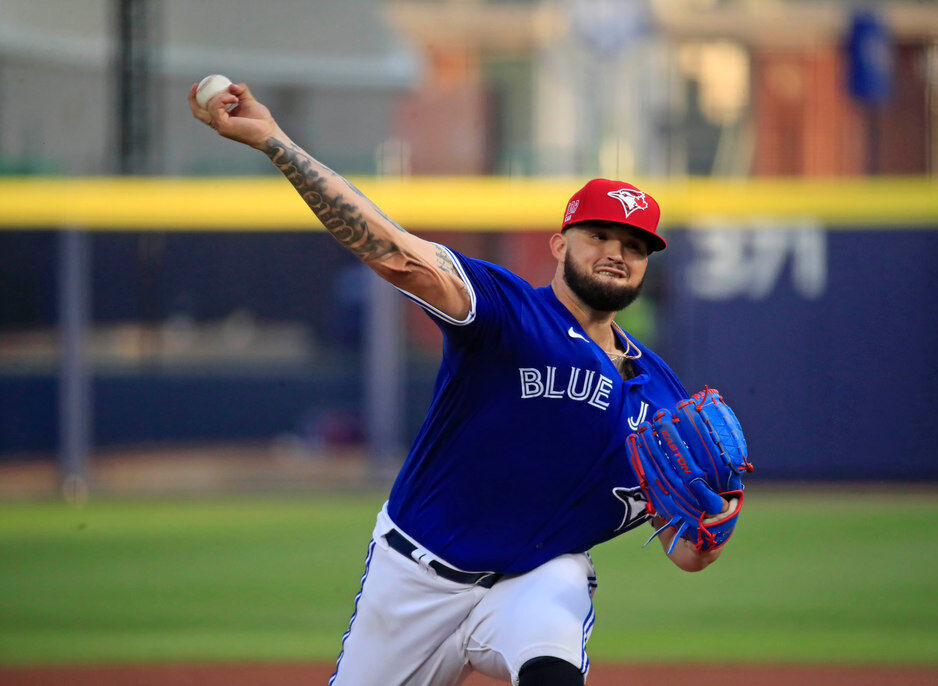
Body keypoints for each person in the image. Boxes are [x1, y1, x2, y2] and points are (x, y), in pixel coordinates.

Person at [189, 81, 726, 686]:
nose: (615, 252)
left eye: (634, 245)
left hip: (538, 577)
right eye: (598, 235)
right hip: (415, 578)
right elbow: (397, 255)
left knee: (554, 648)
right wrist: (276, 142)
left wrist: (713, 523)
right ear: (558, 244)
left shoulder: (661, 395)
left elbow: (686, 553)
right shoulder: (508, 312)